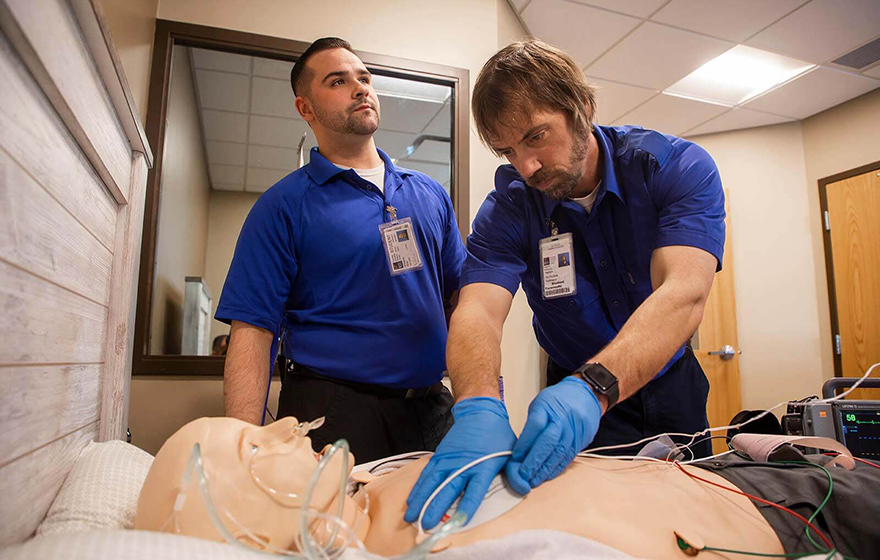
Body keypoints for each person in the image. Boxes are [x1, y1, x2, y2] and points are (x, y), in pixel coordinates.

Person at [406, 38, 726, 529]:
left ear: (583, 108)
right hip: (570, 398)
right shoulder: (510, 209)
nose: (525, 166)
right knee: (589, 530)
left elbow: (683, 294)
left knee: (690, 527)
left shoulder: (674, 168)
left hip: (667, 385)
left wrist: (594, 387)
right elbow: (478, 311)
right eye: (508, 150)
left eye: (536, 137)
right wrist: (475, 405)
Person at [214, 38, 466, 464]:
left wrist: (480, 401)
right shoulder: (283, 205)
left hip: (431, 408)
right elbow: (253, 333)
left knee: (444, 528)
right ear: (306, 108)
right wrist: (245, 450)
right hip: (335, 412)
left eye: (364, 77)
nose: (360, 87)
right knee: (336, 531)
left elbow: (465, 304)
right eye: (338, 81)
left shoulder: (430, 194)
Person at [134, 416, 880, 559]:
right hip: (792, 520)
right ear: (247, 523)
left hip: (717, 473)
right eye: (256, 444)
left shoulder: (370, 481)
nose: (286, 426)